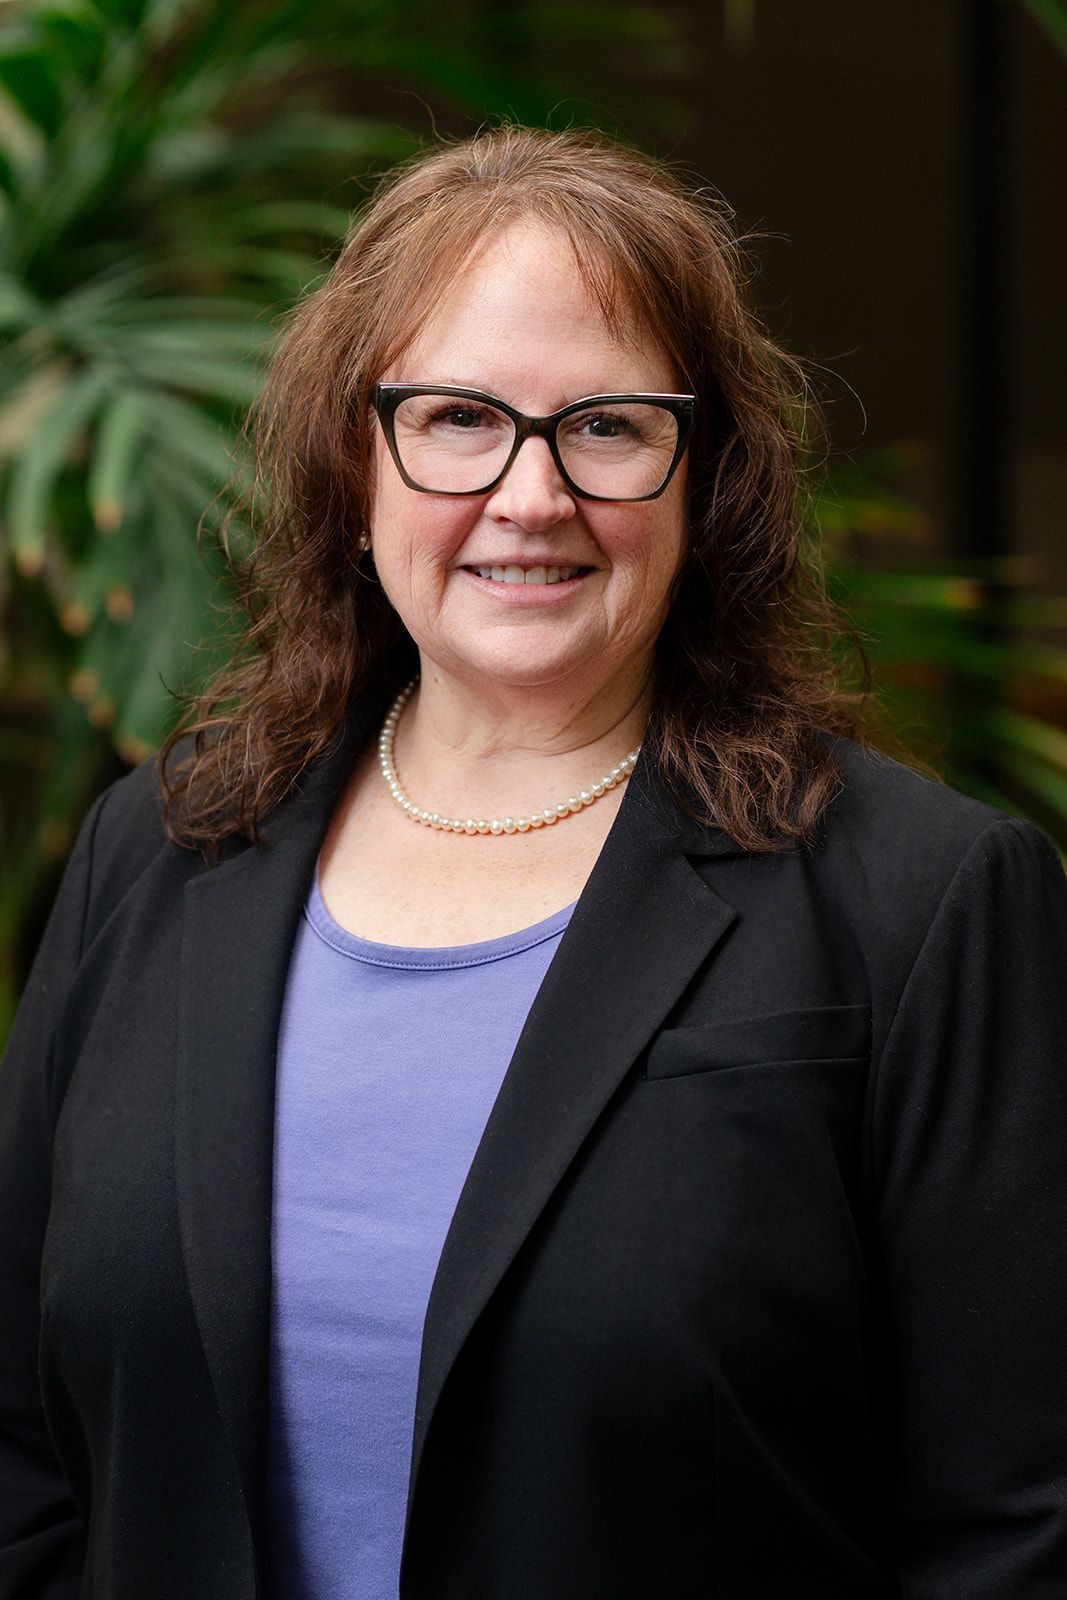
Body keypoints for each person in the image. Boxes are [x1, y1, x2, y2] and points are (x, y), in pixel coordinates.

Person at [2, 122, 1066, 1600]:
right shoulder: (159, 850)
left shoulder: (921, 902)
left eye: (610, 425)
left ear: (708, 480)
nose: (529, 494)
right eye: (456, 418)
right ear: (354, 464)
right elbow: (23, 1456)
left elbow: (1015, 1529)